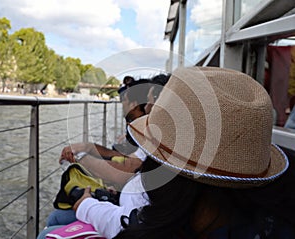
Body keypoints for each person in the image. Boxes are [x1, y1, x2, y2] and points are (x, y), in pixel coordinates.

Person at [38, 67, 294, 239]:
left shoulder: (172, 215)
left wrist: (86, 205)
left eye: (154, 103)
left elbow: (132, 221)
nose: (148, 107)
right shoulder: (262, 220)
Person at [45, 75, 169, 227]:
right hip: (125, 209)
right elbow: (130, 162)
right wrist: (89, 148)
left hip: (127, 221)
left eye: (150, 103)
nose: (147, 108)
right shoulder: (164, 144)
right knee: (57, 218)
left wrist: (87, 206)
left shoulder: (158, 141)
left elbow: (124, 171)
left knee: (55, 220)